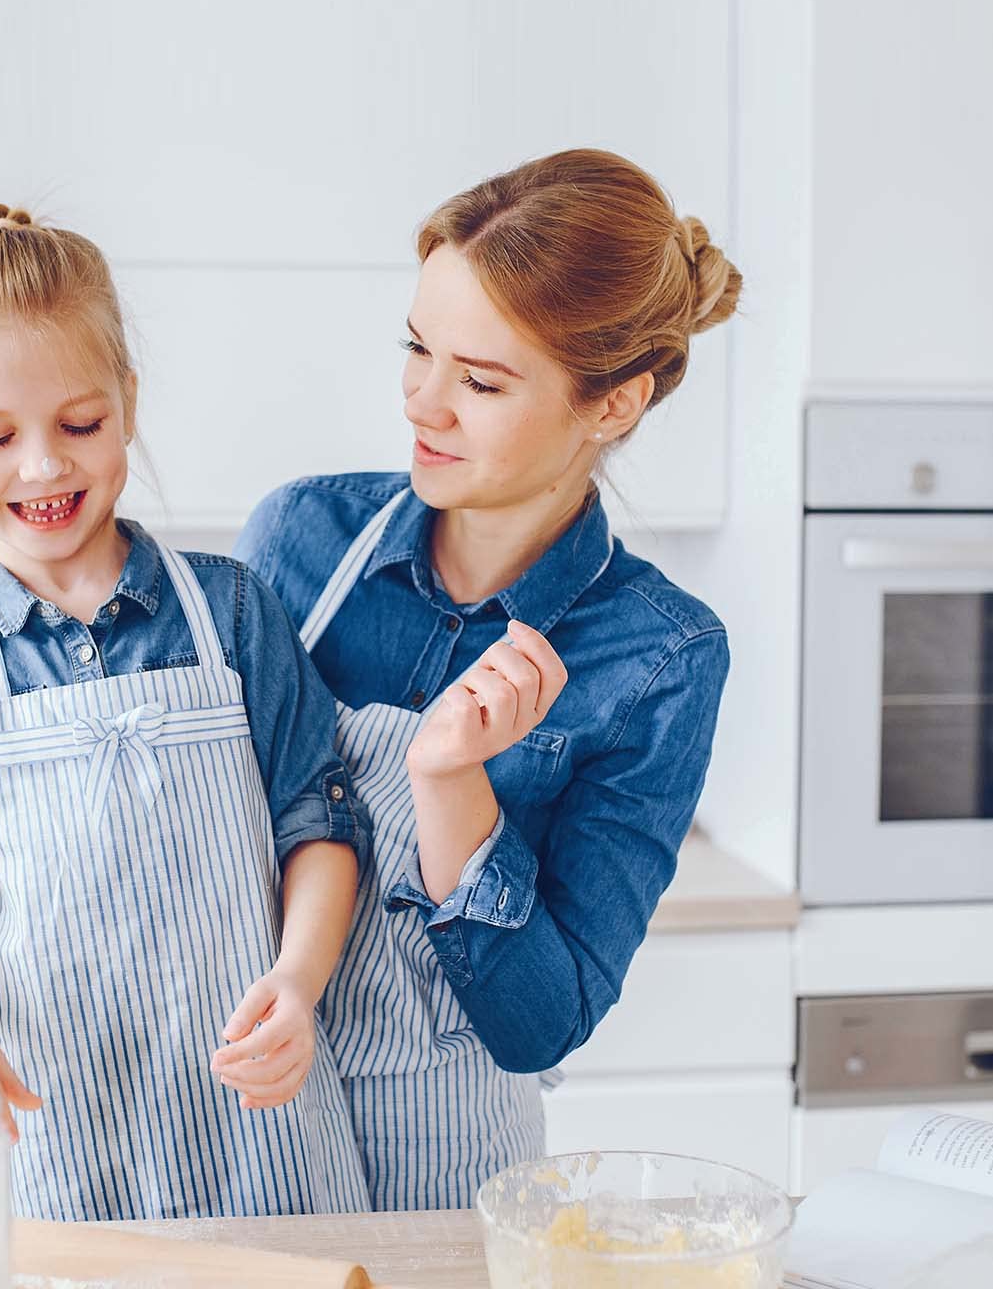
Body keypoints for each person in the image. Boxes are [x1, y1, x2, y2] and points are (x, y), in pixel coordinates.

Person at [0, 205, 371, 1221]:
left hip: (263, 1134)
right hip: (66, 1147)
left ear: (127, 400)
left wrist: (297, 982)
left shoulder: (233, 613)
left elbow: (319, 822)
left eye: (78, 423)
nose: (41, 465)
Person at [234, 148, 739, 1208]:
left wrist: (452, 789)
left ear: (612, 403)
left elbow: (540, 1024)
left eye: (480, 379)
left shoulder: (656, 656)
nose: (424, 400)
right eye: (417, 349)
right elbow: (200, 825)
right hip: (236, 1114)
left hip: (447, 1173)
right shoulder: (301, 540)